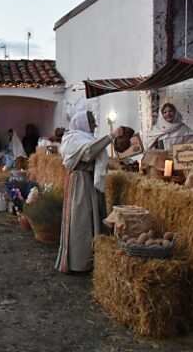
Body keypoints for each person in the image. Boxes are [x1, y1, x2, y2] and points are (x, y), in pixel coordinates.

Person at [56, 111, 122, 274]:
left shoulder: (82, 138)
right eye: (92, 122)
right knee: (81, 220)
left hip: (87, 181)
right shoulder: (74, 138)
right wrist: (110, 136)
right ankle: (80, 262)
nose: (95, 126)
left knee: (91, 216)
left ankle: (92, 260)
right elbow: (88, 153)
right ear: (83, 123)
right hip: (80, 182)